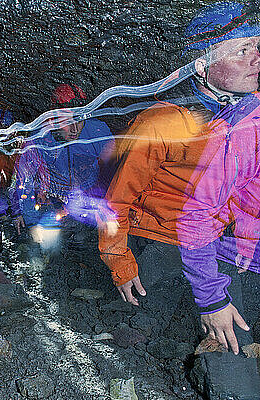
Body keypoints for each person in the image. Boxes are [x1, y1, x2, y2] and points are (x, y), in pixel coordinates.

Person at [98, 2, 260, 398]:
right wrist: (120, 261)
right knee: (184, 329)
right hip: (164, 240)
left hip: (217, 244)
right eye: (242, 50)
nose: (257, 57)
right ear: (201, 66)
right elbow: (118, 196)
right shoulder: (164, 121)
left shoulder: (245, 115)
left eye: (259, 45)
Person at [11, 83, 114, 245]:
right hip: (52, 196)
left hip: (87, 196)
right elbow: (24, 180)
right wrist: (27, 218)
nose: (75, 129)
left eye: (79, 119)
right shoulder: (38, 138)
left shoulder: (97, 131)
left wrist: (103, 206)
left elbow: (113, 172)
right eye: (68, 121)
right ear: (54, 119)